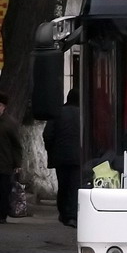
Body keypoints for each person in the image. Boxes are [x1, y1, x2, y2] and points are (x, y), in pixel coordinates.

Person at [44, 88, 81, 227]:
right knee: (74, 185)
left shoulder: (57, 113)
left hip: (60, 157)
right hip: (78, 156)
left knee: (63, 184)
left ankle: (63, 213)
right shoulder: (83, 113)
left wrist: (52, 150)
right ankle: (71, 215)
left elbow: (47, 135)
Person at [0, 90, 23, 224]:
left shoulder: (10, 123)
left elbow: (17, 145)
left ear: (4, 107)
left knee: (4, 192)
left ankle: (2, 216)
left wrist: (17, 164)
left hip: (5, 164)